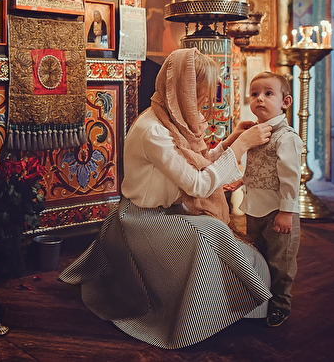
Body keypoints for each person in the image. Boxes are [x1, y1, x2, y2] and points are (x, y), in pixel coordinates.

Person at [60, 47, 274, 349]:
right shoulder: (153, 131)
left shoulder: (171, 120)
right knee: (211, 233)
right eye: (201, 90)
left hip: (165, 211)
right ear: (182, 88)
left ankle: (234, 307)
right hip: (141, 218)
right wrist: (240, 148)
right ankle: (195, 318)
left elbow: (197, 165)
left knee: (220, 234)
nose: (205, 98)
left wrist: (232, 140)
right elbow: (198, 184)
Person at [235, 71, 303, 328]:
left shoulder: (286, 138)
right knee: (258, 256)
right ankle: (260, 299)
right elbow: (258, 167)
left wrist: (286, 212)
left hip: (277, 212)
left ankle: (280, 304)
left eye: (268, 93)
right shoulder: (256, 133)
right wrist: (241, 181)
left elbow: (290, 177)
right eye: (254, 94)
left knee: (280, 262)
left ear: (285, 102)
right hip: (255, 208)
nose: (259, 99)